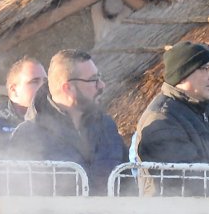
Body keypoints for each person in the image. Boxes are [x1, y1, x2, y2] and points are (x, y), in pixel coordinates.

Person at [129, 42, 209, 191]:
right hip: (180, 213)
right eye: (206, 69)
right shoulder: (162, 120)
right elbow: (186, 184)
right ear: (183, 74)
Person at [9, 49, 126, 194]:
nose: (101, 85)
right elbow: (19, 201)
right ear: (67, 87)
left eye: (100, 78)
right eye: (93, 80)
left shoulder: (107, 127)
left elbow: (128, 186)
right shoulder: (28, 136)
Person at [0, 57, 46, 138]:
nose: (43, 86)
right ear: (14, 90)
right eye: (34, 81)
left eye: (45, 81)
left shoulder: (51, 120)